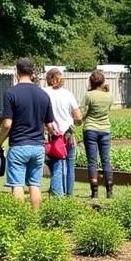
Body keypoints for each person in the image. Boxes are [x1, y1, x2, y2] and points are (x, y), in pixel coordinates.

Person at [0, 57, 56, 210]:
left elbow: (7, 123)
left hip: (18, 146)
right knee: (35, 185)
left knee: (17, 185)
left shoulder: (11, 94)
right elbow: (50, 126)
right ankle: (35, 218)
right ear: (32, 72)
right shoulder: (44, 95)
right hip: (38, 147)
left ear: (17, 72)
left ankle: (21, 218)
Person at [43, 69, 81, 197]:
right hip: (68, 134)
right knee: (70, 164)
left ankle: (58, 193)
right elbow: (78, 116)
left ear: (48, 78)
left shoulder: (44, 92)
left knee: (56, 164)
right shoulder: (68, 94)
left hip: (52, 134)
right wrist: (76, 122)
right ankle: (69, 193)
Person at [80, 70, 113, 199]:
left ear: (91, 82)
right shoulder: (109, 96)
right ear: (103, 81)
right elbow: (108, 109)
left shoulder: (89, 95)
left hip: (90, 129)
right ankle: (109, 191)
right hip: (105, 129)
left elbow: (82, 112)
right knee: (106, 161)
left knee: (92, 162)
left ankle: (94, 192)